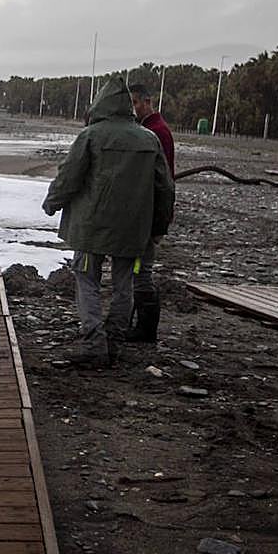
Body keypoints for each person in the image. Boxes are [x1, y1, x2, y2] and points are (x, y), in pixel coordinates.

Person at [42, 78, 175, 368]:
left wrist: (52, 202)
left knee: (87, 282)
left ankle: (94, 346)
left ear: (100, 104)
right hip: (133, 230)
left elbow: (69, 176)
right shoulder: (148, 139)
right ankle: (114, 343)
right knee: (123, 285)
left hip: (91, 229)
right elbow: (165, 187)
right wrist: (159, 227)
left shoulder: (90, 136)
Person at [128, 82, 176, 343]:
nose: (133, 108)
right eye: (131, 104)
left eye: (136, 103)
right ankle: (140, 326)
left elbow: (165, 182)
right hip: (144, 214)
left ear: (147, 102)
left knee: (141, 271)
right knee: (138, 270)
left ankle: (146, 330)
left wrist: (161, 222)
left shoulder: (158, 133)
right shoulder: (148, 130)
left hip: (150, 216)